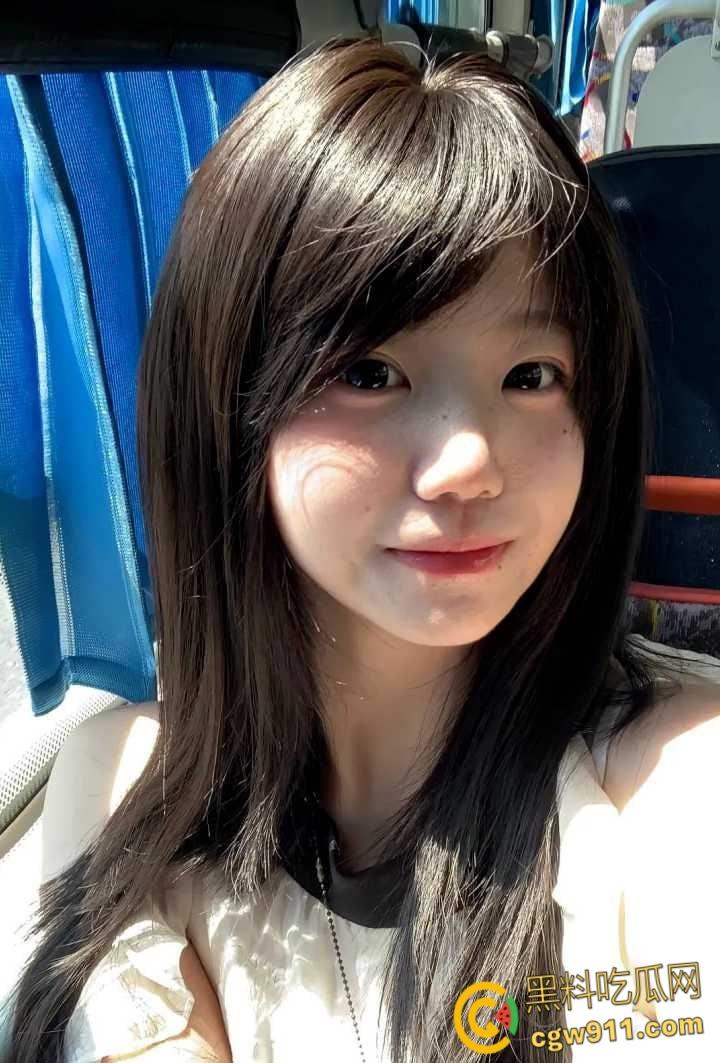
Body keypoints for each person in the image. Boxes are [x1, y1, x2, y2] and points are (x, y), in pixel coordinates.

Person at [5, 35, 720, 1063]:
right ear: (228, 406)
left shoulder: (673, 785)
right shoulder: (129, 784)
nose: (468, 462)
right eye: (371, 372)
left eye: (532, 375)